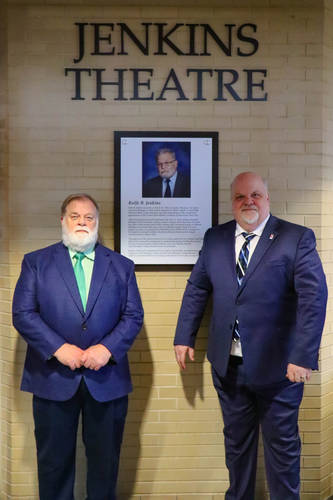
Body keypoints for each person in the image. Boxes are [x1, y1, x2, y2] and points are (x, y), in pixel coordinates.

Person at [173, 172, 327, 500]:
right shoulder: (215, 238)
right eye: (241, 197)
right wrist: (183, 335)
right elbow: (198, 287)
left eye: (256, 195)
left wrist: (303, 356)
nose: (249, 202)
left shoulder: (295, 237)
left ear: (268, 199)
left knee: (282, 451)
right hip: (228, 367)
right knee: (237, 449)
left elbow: (314, 299)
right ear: (232, 203)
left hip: (279, 369)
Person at [12, 193, 144, 500]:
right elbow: (23, 313)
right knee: (53, 465)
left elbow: (133, 315)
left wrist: (107, 349)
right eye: (75, 216)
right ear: (62, 220)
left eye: (89, 218)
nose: (82, 222)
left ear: (97, 223)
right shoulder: (36, 262)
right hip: (52, 379)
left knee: (105, 465)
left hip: (107, 380)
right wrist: (59, 348)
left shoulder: (121, 266)